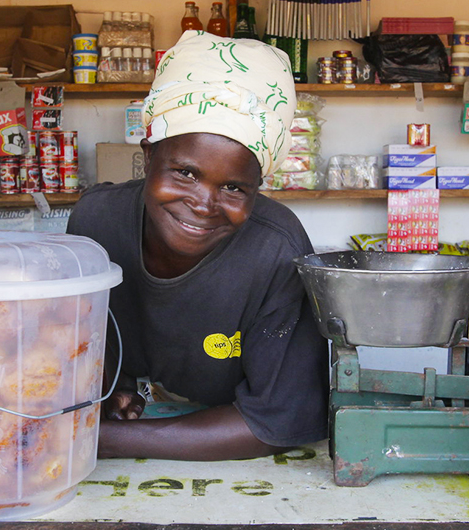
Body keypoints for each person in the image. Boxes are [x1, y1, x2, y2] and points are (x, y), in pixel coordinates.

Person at [67, 31, 329, 461]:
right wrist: (114, 389)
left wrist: (96, 440)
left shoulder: (275, 251)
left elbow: (276, 423)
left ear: (258, 188)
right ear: (148, 155)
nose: (204, 205)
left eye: (233, 187)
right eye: (185, 173)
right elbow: (86, 352)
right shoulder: (96, 222)